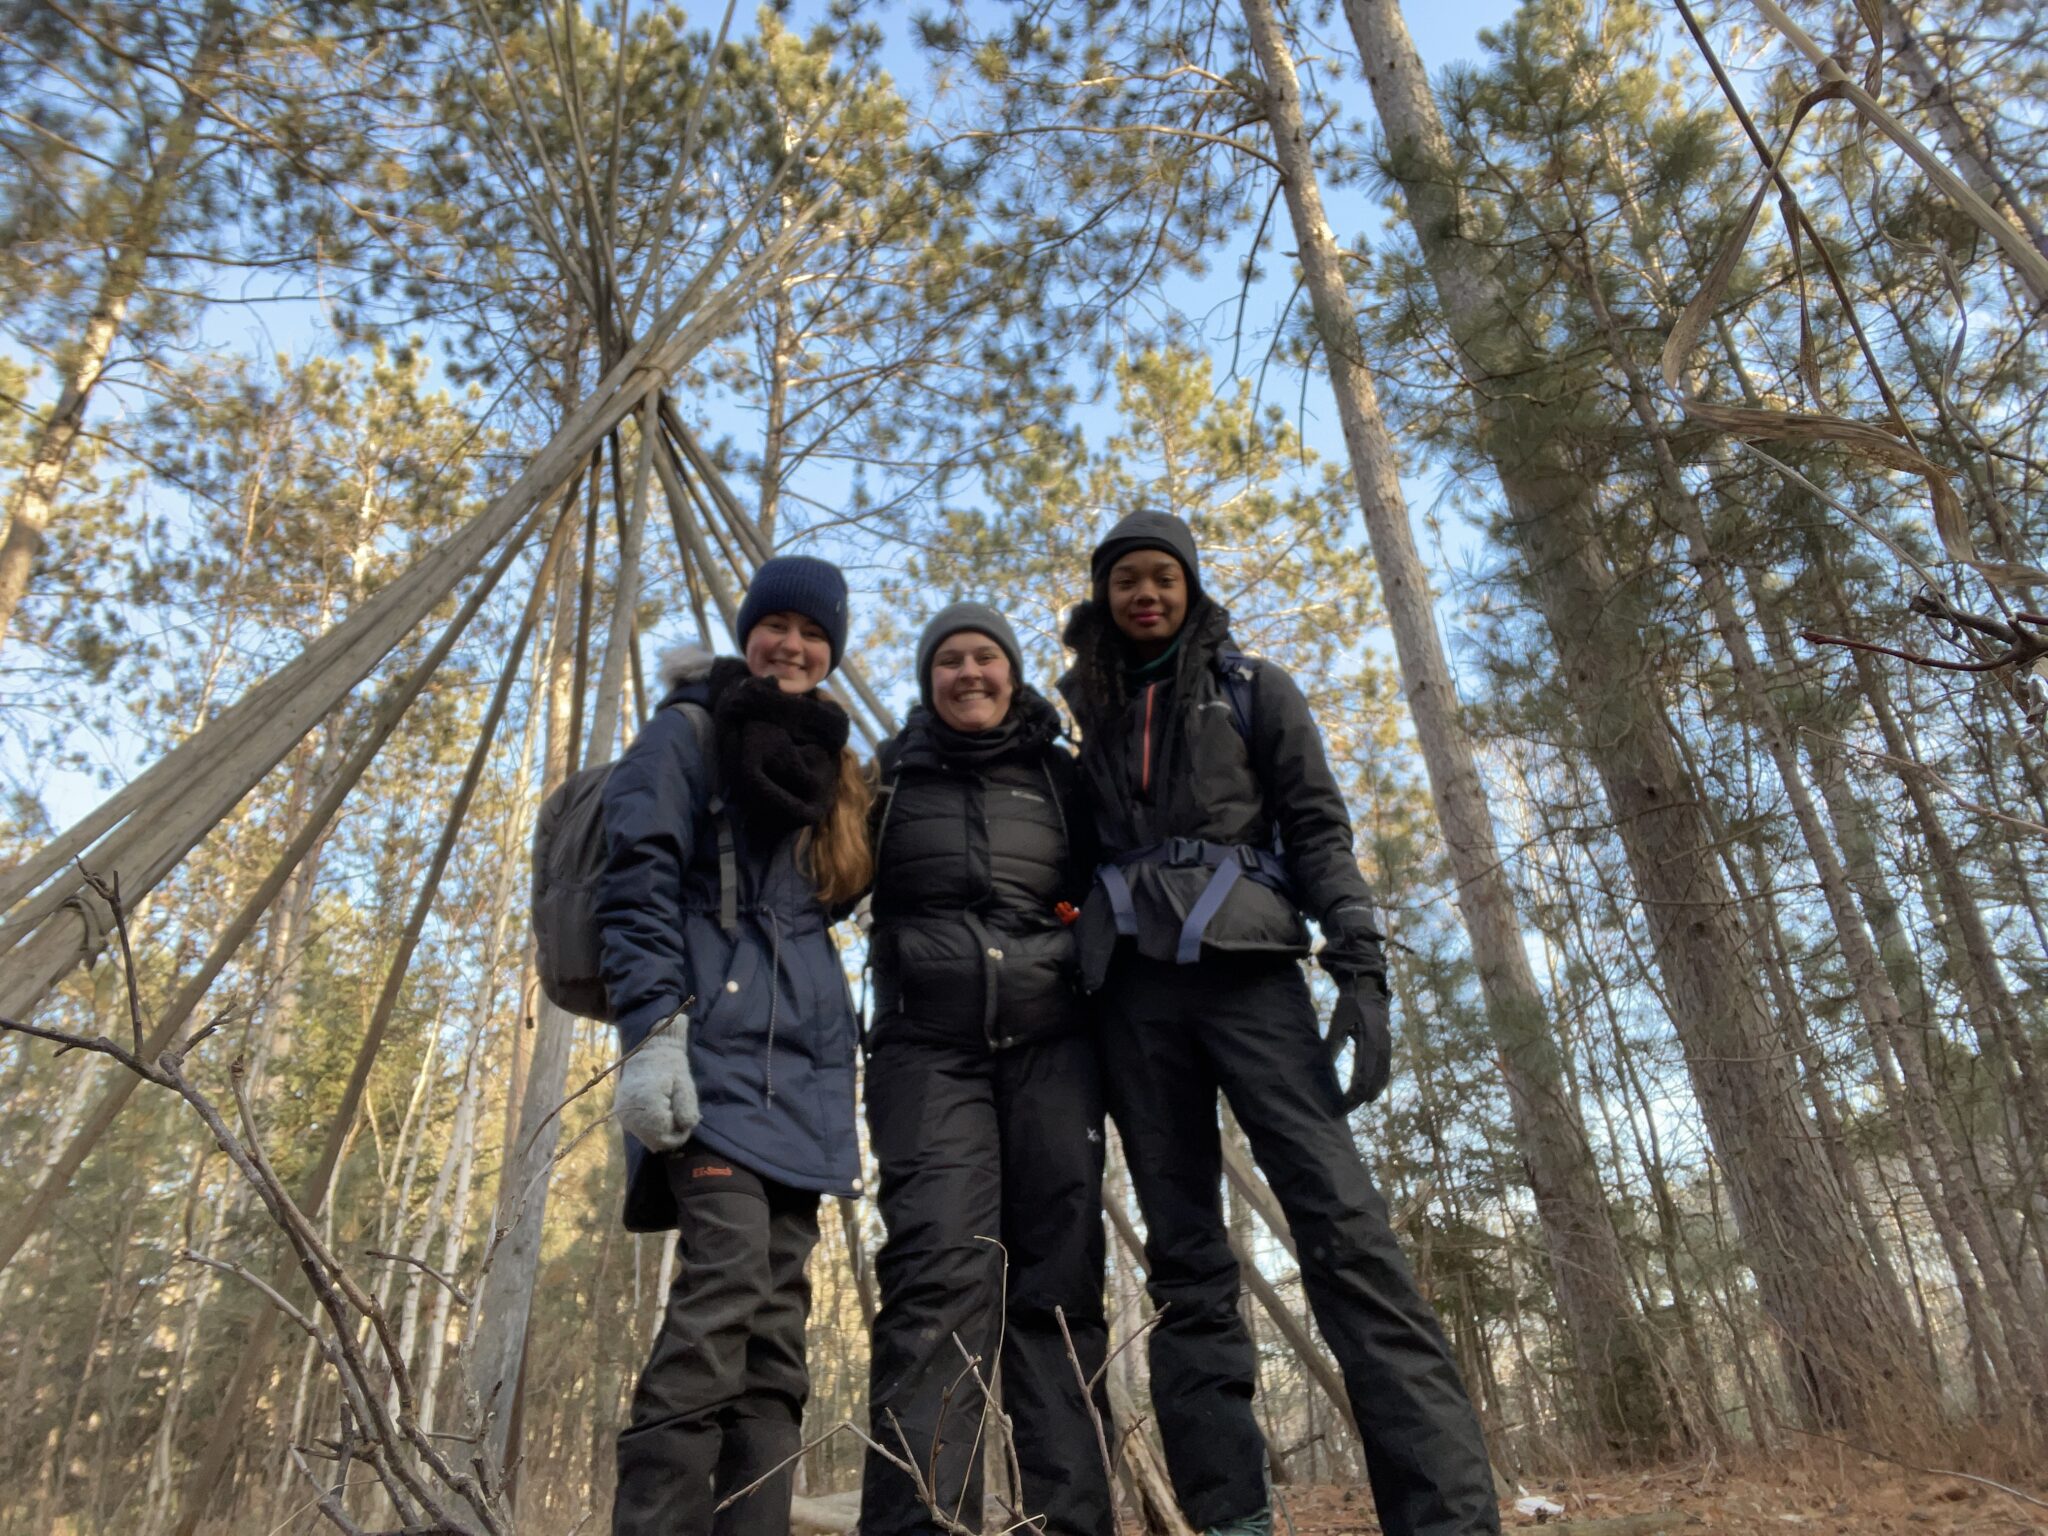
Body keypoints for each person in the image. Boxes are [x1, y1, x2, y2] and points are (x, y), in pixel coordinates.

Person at [1057, 511, 1500, 1536]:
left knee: (1343, 1228)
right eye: (1126, 580)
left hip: (1251, 981)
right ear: (1104, 597)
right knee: (1184, 1261)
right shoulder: (1086, 718)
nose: (1144, 595)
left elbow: (1316, 825)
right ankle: (1229, 1519)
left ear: (1189, 588)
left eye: (1162, 577)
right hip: (1133, 1002)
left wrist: (1359, 961)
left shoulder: (1252, 689)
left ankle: (1445, 1517)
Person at [597, 554, 873, 1536]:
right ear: (748, 631)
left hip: (801, 1085)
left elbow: (834, 897)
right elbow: (633, 882)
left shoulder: (828, 768)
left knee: (775, 1339)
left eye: (812, 634)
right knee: (719, 1299)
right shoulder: (690, 731)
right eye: (776, 627)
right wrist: (653, 1033)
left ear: (829, 651)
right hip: (708, 1065)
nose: (791, 646)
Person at [858, 602, 1112, 1536]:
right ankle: (917, 1522)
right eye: (950, 661)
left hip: (1054, 1049)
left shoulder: (1060, 776)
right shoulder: (885, 776)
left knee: (1058, 1284)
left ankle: (1073, 1522)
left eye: (986, 658)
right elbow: (818, 872)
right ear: (929, 679)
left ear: (1012, 673)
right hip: (927, 1055)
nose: (970, 673)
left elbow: (1110, 881)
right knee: (936, 1282)